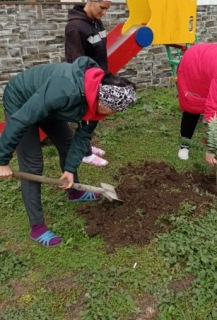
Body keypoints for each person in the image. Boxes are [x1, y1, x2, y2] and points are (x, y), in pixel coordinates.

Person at [0, 57, 136, 247]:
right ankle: (37, 227)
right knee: (32, 163)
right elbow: (21, 120)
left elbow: (82, 138)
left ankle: (74, 191)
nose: (113, 114)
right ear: (101, 99)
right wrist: (2, 160)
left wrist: (70, 169)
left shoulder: (97, 101)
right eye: (113, 110)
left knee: (67, 143)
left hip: (48, 103)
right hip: (22, 99)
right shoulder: (65, 90)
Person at [65, 0, 113, 167]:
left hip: (99, 77)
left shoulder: (96, 21)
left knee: (92, 117)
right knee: (86, 116)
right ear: (91, 1)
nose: (104, 12)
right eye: (102, 8)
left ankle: (87, 145)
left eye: (107, 8)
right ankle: (84, 153)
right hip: (86, 81)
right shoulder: (76, 28)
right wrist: (86, 88)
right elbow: (75, 62)